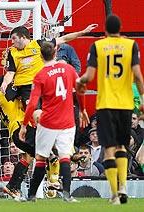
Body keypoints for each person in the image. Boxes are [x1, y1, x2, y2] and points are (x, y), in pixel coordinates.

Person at [76, 15, 144, 205]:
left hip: (106, 105)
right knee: (122, 147)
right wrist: (143, 100)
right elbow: (138, 75)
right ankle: (123, 188)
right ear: (120, 28)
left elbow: (88, 76)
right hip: (125, 105)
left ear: (105, 30)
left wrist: (80, 83)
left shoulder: (98, 46)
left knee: (109, 150)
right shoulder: (131, 45)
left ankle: (115, 194)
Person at [19, 41, 81, 202]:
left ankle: (31, 195)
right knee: (65, 157)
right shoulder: (69, 69)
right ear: (56, 53)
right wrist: (83, 110)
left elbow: (32, 104)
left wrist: (24, 125)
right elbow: (81, 89)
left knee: (40, 158)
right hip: (67, 121)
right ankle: (67, 194)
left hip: (48, 123)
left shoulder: (40, 75)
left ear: (40, 56)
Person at [0, 24, 97, 108]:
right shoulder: (12, 52)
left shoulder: (39, 44)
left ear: (23, 37)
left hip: (44, 84)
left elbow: (63, 39)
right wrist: (5, 83)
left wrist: (83, 32)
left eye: (14, 38)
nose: (12, 42)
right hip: (27, 87)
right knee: (35, 115)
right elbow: (10, 72)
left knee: (51, 112)